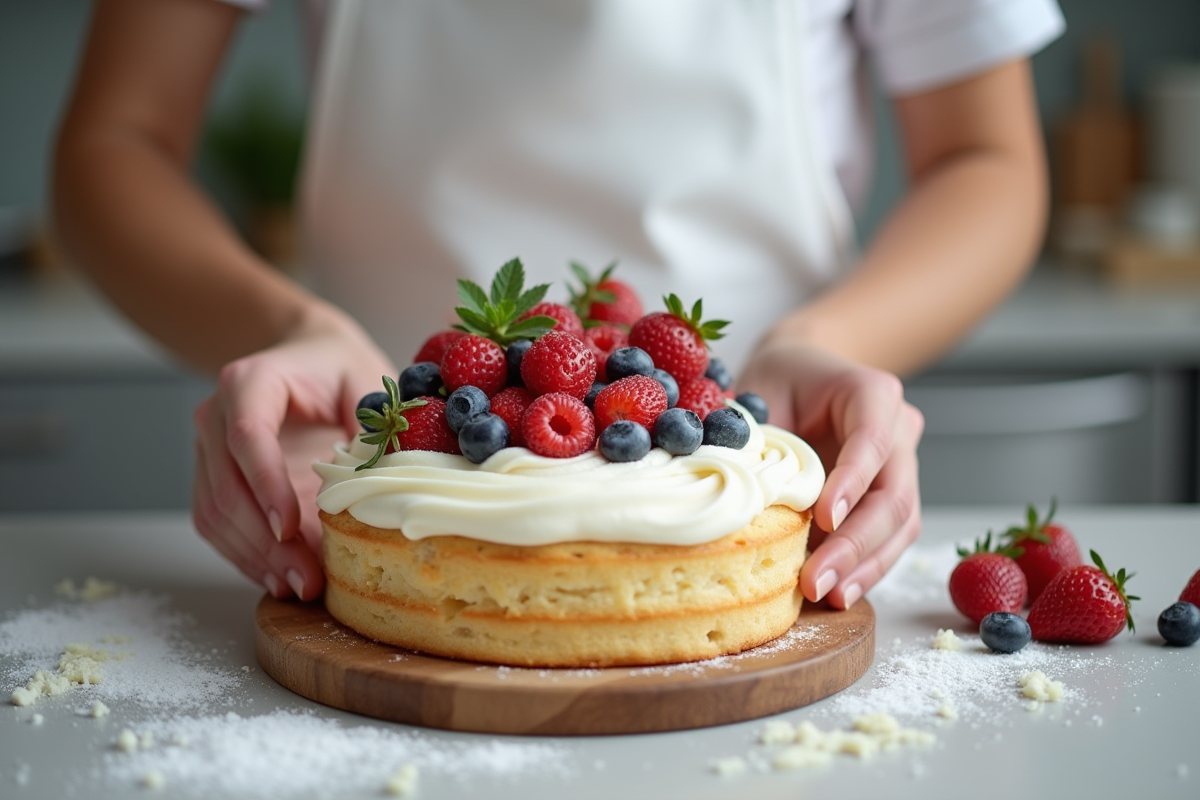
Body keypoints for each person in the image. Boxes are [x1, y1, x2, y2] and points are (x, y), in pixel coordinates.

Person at [53, 0, 1063, 610]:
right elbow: (114, 145)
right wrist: (285, 336)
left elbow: (988, 158)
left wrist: (828, 342)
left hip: (750, 451)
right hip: (389, 462)